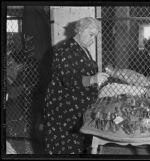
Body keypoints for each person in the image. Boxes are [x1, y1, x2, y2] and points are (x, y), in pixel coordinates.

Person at [43, 17, 109, 154]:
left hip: (76, 108)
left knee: (78, 144)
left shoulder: (82, 48)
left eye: (95, 36)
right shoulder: (66, 50)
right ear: (80, 31)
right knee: (65, 146)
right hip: (64, 110)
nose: (93, 39)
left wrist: (96, 80)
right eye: (91, 35)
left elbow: (84, 72)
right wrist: (92, 79)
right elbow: (68, 79)